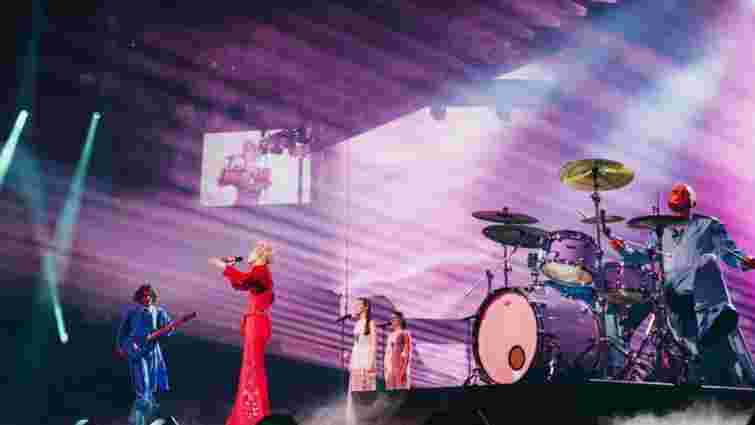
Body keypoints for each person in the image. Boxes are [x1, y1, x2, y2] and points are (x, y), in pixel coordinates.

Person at [609, 183, 755, 386]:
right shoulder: (660, 230)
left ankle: (716, 323)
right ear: (670, 202)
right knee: (687, 346)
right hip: (674, 296)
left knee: (708, 262)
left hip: (703, 294)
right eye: (674, 192)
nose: (678, 193)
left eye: (683, 192)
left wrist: (745, 262)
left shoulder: (708, 224)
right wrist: (623, 250)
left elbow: (729, 253)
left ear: (693, 201)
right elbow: (645, 257)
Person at [209, 241, 275, 425]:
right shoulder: (259, 272)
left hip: (257, 323)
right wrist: (228, 270)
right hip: (255, 322)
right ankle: (249, 413)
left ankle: (253, 415)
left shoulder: (261, 271)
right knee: (250, 367)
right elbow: (241, 284)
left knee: (253, 367)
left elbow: (245, 280)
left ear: (259, 255)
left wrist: (225, 267)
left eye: (252, 252)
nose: (249, 255)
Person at [116, 284, 175, 425]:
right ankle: (142, 409)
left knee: (152, 381)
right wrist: (121, 347)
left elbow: (169, 328)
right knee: (142, 379)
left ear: (152, 297)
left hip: (152, 351)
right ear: (140, 298)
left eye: (149, 295)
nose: (147, 298)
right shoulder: (132, 313)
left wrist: (167, 330)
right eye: (144, 296)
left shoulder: (159, 312)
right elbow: (123, 331)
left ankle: (147, 409)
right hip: (136, 349)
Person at [384, 311, 412, 390]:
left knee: (399, 390)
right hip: (389, 368)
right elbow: (388, 352)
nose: (391, 320)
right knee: (391, 392)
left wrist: (403, 371)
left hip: (398, 368)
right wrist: (386, 368)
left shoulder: (404, 333)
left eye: (394, 318)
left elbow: (407, 354)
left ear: (400, 320)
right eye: (391, 319)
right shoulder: (390, 335)